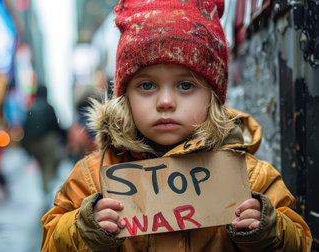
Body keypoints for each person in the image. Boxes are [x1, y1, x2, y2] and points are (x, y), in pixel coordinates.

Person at [41, 0, 312, 251]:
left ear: (212, 96)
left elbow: (300, 240)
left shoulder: (250, 176)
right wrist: (84, 228)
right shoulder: (91, 177)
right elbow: (52, 241)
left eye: (186, 85)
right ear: (125, 97)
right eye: (147, 85)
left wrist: (267, 228)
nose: (166, 101)